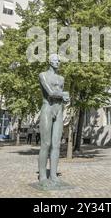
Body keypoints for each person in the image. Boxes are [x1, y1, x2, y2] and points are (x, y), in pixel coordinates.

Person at [38, 54, 70, 187]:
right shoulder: (43, 75)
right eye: (56, 60)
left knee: (56, 144)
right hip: (47, 108)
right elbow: (50, 93)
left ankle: (53, 174)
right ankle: (42, 175)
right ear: (50, 62)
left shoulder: (61, 78)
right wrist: (64, 95)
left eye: (59, 60)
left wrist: (66, 98)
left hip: (59, 110)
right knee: (46, 143)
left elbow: (62, 97)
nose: (58, 62)